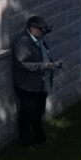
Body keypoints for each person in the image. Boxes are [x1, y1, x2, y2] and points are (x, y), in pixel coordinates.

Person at [13, 16, 59, 146]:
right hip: (28, 86)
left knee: (39, 112)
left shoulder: (39, 39)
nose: (42, 33)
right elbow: (22, 64)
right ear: (32, 28)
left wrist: (51, 64)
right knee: (27, 114)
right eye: (40, 30)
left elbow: (45, 53)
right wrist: (44, 66)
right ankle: (26, 141)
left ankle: (39, 138)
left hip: (41, 83)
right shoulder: (22, 42)